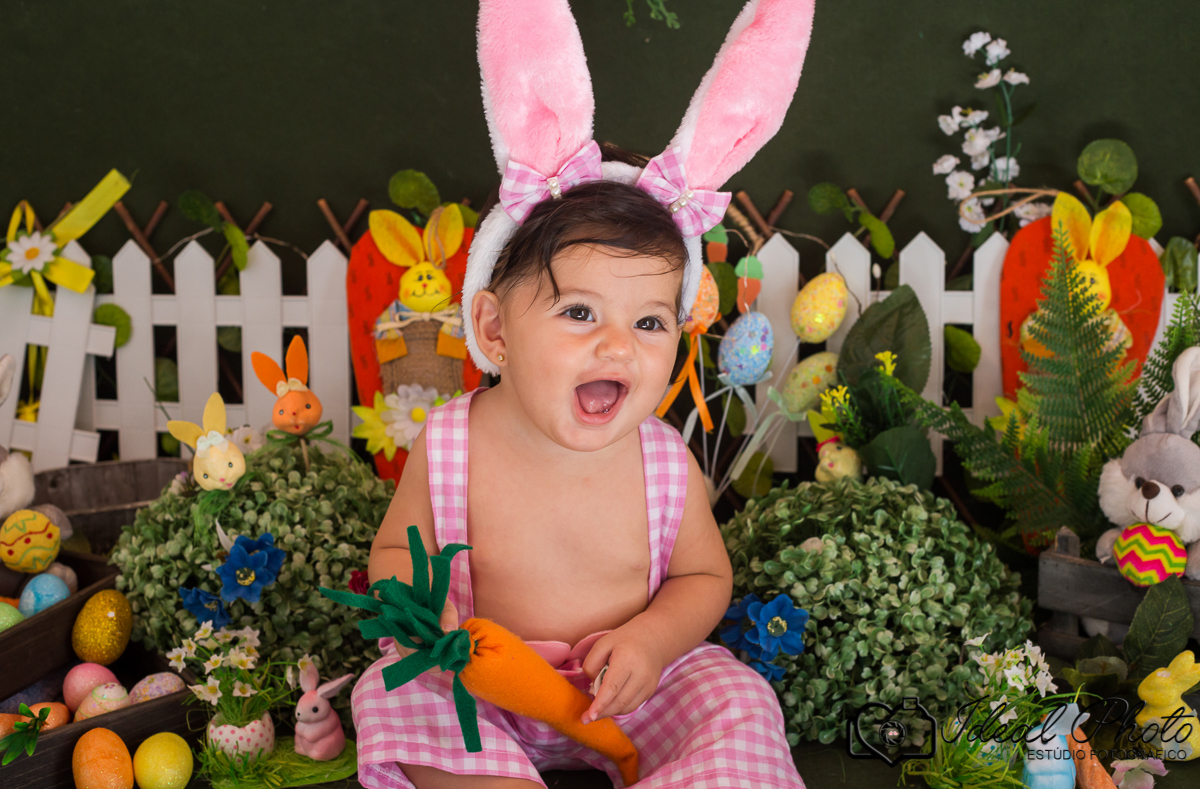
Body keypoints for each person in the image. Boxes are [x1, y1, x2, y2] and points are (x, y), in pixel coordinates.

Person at [351, 1, 815, 786]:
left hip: (631, 688)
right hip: (481, 684)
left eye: (649, 321)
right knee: (394, 695)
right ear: (494, 329)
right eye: (578, 312)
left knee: (737, 698)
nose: (618, 345)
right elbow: (396, 551)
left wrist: (652, 642)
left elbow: (704, 579)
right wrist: (425, 610)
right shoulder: (455, 440)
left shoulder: (662, 461)